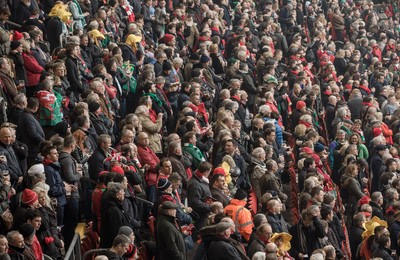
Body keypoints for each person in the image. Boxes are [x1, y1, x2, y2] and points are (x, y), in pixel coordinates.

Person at [100, 182, 132, 248]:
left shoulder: (114, 205)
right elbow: (116, 232)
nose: (124, 193)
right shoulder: (113, 210)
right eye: (122, 191)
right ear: (117, 194)